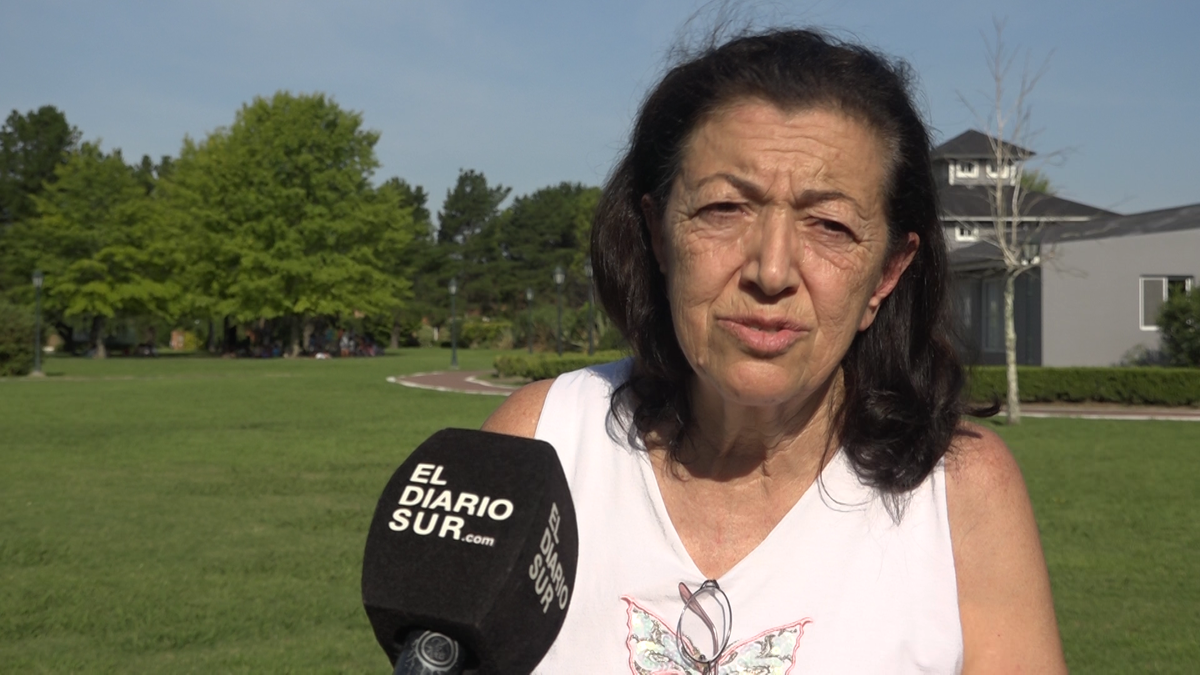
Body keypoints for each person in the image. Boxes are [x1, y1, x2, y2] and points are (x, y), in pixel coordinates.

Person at [485, 28, 1065, 674]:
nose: (772, 270)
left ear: (886, 273)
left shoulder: (958, 490)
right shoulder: (540, 443)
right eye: (725, 208)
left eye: (831, 225)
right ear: (658, 233)